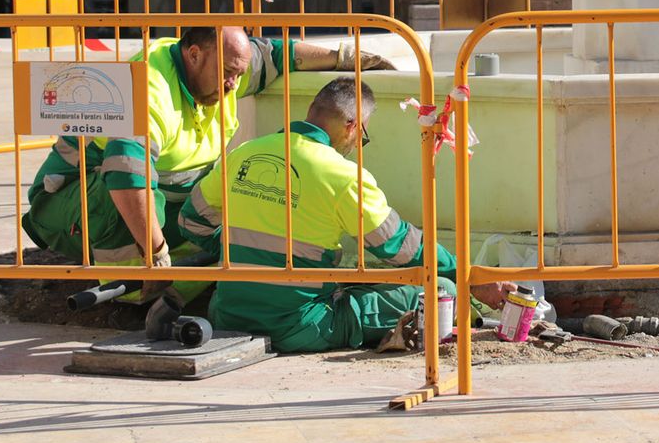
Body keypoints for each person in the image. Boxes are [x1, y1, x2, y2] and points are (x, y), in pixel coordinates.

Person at [21, 26, 391, 288]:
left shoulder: (223, 68)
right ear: (194, 55)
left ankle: (177, 280)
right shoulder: (148, 88)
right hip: (71, 201)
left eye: (239, 75)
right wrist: (157, 256)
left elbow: (276, 54)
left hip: (160, 193)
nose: (234, 85)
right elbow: (128, 178)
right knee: (128, 191)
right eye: (229, 74)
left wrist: (343, 58)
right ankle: (133, 288)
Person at [177, 77, 513, 352]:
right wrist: (469, 276)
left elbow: (191, 221)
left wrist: (236, 250)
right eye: (362, 136)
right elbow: (400, 247)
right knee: (440, 291)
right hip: (298, 325)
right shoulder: (342, 176)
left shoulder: (243, 154)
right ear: (352, 126)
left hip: (228, 315)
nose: (356, 145)